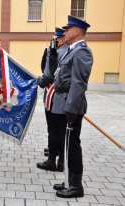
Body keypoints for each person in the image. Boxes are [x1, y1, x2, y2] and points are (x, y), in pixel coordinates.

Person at [52, 15, 93, 198]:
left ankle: (76, 186)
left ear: (76, 31)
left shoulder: (82, 52)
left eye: (68, 29)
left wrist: (70, 108)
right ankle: (69, 180)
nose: (65, 32)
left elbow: (78, 83)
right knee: (66, 145)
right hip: (66, 102)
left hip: (72, 105)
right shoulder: (71, 50)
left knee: (72, 145)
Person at [36, 28, 68, 172]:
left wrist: (39, 81)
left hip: (55, 97)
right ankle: (61, 161)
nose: (52, 42)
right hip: (64, 97)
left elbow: (48, 74)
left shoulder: (56, 52)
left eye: (54, 39)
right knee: (61, 130)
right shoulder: (69, 51)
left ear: (59, 40)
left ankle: (52, 161)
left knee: (54, 130)